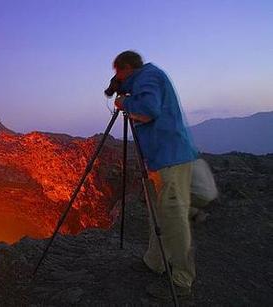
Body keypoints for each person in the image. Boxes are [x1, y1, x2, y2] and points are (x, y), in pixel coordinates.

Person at [111, 50, 198, 299]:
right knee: (158, 214)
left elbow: (149, 110)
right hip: (160, 160)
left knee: (173, 217)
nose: (118, 80)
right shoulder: (146, 78)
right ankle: (155, 262)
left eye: (118, 74)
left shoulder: (148, 76)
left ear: (126, 68)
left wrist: (123, 103)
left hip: (170, 158)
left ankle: (181, 279)